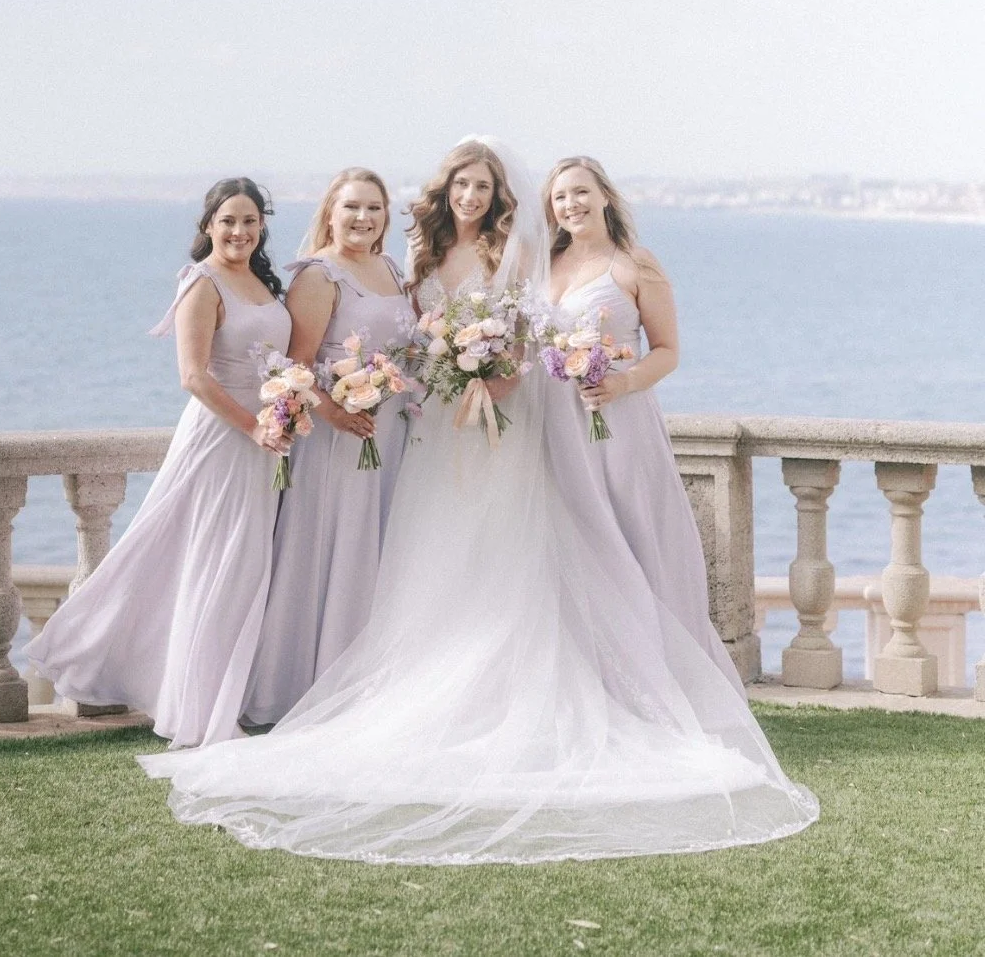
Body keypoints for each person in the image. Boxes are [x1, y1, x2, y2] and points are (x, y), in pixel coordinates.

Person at [140, 141, 818, 863]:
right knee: (428, 552)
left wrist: (489, 379)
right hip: (430, 427)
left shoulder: (517, 254)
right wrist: (438, 372)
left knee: (506, 550)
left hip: (500, 423)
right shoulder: (418, 256)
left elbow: (526, 336)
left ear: (501, 198)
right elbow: (399, 333)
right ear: (446, 190)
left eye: (484, 186)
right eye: (461, 183)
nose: (471, 195)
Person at [27, 178, 292, 749]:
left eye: (249, 221)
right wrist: (254, 427)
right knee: (212, 565)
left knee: (245, 569)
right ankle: (198, 709)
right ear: (208, 226)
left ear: (262, 226)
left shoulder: (264, 283)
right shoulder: (202, 283)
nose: (239, 231)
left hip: (264, 443)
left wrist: (286, 409)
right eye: (227, 221)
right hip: (224, 441)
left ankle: (224, 695)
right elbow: (194, 375)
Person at [542, 156, 741, 680]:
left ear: (605, 196)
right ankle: (582, 673)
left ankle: (649, 669)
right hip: (554, 424)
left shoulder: (635, 263)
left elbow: (668, 350)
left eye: (581, 192)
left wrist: (621, 383)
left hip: (617, 424)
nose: (572, 205)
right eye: (561, 197)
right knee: (569, 540)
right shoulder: (543, 264)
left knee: (626, 533)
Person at [242, 169, 413, 725]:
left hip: (389, 432)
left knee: (378, 549)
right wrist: (340, 411)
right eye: (351, 208)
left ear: (386, 215)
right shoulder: (318, 276)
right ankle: (304, 686)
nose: (362, 218)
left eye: (373, 208)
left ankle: (367, 683)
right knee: (332, 548)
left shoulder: (390, 268)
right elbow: (299, 362)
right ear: (330, 214)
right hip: (339, 438)